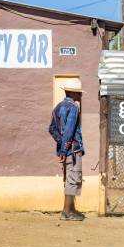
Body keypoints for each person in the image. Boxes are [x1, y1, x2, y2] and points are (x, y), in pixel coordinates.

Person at [49, 79, 85, 221]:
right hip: (73, 149)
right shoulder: (74, 107)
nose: (80, 96)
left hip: (65, 149)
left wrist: (61, 144)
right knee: (73, 179)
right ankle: (66, 212)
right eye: (78, 93)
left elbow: (52, 129)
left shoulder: (57, 107)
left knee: (69, 178)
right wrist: (65, 149)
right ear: (72, 93)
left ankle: (72, 209)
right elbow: (69, 131)